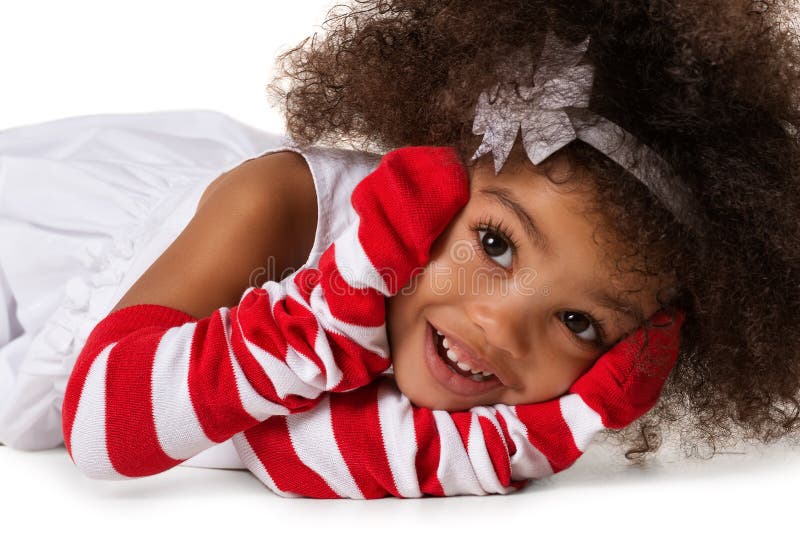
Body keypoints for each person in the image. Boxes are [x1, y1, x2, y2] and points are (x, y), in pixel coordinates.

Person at [1, 0, 798, 497]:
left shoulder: (484, 358)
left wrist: (556, 427)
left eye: (581, 324)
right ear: (440, 180)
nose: (501, 328)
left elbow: (282, 447)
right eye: (495, 243)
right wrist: (332, 306)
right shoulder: (272, 210)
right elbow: (107, 431)